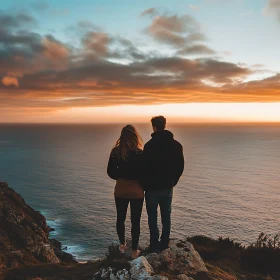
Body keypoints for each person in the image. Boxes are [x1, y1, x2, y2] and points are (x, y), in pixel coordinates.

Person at [142, 116, 184, 252]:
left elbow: (144, 167)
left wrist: (145, 184)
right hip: (167, 186)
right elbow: (180, 166)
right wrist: (173, 181)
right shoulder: (176, 145)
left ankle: (154, 244)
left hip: (151, 188)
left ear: (154, 127)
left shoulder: (149, 146)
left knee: (152, 218)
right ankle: (165, 242)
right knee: (166, 216)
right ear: (164, 125)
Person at [107, 125, 144, 259]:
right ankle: (134, 251)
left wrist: (121, 175)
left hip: (121, 189)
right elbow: (144, 173)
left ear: (121, 137)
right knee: (136, 221)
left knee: (120, 218)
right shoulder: (140, 153)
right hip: (137, 191)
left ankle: (122, 245)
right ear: (135, 137)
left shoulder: (115, 152)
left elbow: (110, 172)